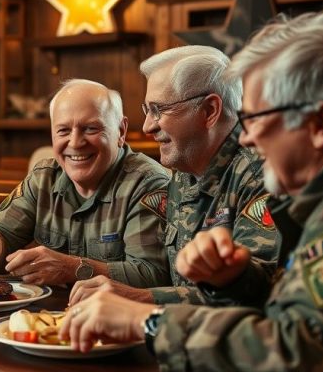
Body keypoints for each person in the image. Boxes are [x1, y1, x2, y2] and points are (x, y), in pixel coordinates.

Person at [61, 10, 323, 372]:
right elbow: (305, 310)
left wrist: (148, 323)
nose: (248, 135)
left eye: (256, 117)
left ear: (321, 122)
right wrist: (239, 281)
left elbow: (308, 357)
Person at [69, 46, 280, 306]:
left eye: (159, 110)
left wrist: (140, 298)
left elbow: (253, 295)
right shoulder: (184, 170)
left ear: (210, 110)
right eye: (147, 110)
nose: (147, 126)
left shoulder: (263, 174)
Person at [0, 79, 170, 288]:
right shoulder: (43, 177)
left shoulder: (147, 183)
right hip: (46, 316)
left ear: (121, 131)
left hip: (118, 318)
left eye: (90, 128)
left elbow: (151, 275)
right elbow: (2, 235)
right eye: (63, 131)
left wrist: (72, 269)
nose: (75, 142)